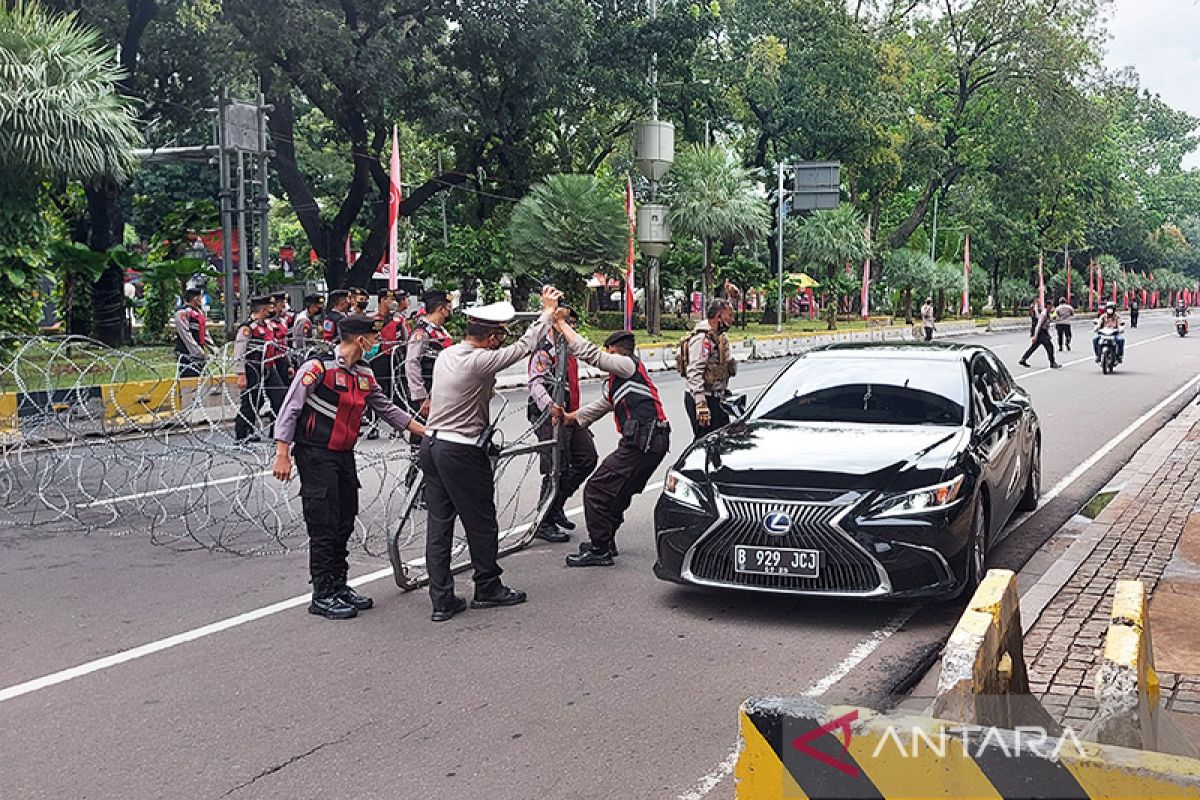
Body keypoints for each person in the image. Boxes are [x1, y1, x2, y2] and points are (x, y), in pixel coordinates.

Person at [421, 287, 563, 622]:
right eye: (500, 335)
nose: (502, 341)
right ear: (493, 337)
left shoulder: (449, 354)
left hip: (432, 444)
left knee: (439, 526)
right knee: (481, 522)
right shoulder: (480, 361)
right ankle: (487, 586)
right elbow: (525, 346)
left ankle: (441, 600)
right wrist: (547, 311)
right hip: (460, 450)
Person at [272, 314, 426, 619]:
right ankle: (323, 593)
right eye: (374, 337)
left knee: (343, 521)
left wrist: (424, 431)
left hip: (343, 455)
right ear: (360, 340)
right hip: (316, 455)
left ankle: (339, 585)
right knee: (324, 524)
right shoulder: (318, 368)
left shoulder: (363, 373)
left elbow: (386, 409)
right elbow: (290, 409)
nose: (377, 342)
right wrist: (282, 452)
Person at [553, 328, 671, 567]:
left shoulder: (626, 365)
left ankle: (599, 549)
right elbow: (601, 405)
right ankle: (605, 541)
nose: (607, 356)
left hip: (642, 443)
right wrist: (570, 418)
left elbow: (593, 356)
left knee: (596, 489)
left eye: (609, 352)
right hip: (650, 442)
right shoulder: (623, 379)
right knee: (617, 491)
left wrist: (562, 325)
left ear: (616, 352)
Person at [526, 306, 598, 543]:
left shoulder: (567, 347)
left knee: (586, 457)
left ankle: (556, 504)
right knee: (555, 466)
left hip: (570, 413)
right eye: (568, 323)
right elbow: (535, 382)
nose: (572, 328)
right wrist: (550, 407)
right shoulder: (545, 349)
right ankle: (544, 519)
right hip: (549, 414)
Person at [234, 295, 288, 442]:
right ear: (263, 309)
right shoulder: (248, 328)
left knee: (280, 399)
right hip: (253, 368)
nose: (272, 310)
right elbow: (239, 352)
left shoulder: (268, 325)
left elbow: (276, 347)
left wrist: (286, 364)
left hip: (269, 368)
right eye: (270, 308)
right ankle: (242, 435)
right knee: (250, 403)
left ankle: (278, 432)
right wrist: (241, 374)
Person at [682, 299, 738, 440]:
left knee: (721, 442)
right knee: (705, 444)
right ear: (719, 316)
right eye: (729, 315)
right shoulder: (703, 338)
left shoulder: (717, 336)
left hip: (717, 398)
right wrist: (701, 404)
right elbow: (694, 371)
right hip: (704, 399)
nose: (732, 319)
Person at [405, 290, 454, 421]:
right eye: (448, 308)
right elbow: (412, 364)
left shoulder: (441, 331)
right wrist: (421, 397)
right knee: (423, 437)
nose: (450, 312)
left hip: (442, 391)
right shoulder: (422, 333)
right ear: (440, 309)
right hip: (428, 392)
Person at [173, 288, 212, 378]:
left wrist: (212, 347)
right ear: (195, 298)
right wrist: (197, 352)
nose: (201, 300)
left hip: (199, 351)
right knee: (189, 380)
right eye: (200, 297)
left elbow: (204, 332)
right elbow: (185, 334)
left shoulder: (199, 312)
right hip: (187, 351)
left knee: (199, 379)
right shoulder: (182, 312)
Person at [1019, 303, 1062, 369]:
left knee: (1034, 347)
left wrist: (1054, 314)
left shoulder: (1048, 313)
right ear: (1047, 306)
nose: (1052, 307)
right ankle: (1052, 363)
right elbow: (1038, 325)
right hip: (1041, 332)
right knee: (1050, 347)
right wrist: (1035, 336)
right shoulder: (1044, 314)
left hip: (1043, 332)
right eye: (1050, 306)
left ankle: (1023, 359)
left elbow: (1054, 319)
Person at [291, 294, 325, 361]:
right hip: (305, 355)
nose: (320, 311)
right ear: (311, 307)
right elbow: (301, 341)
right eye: (318, 308)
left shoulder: (312, 318)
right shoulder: (303, 320)